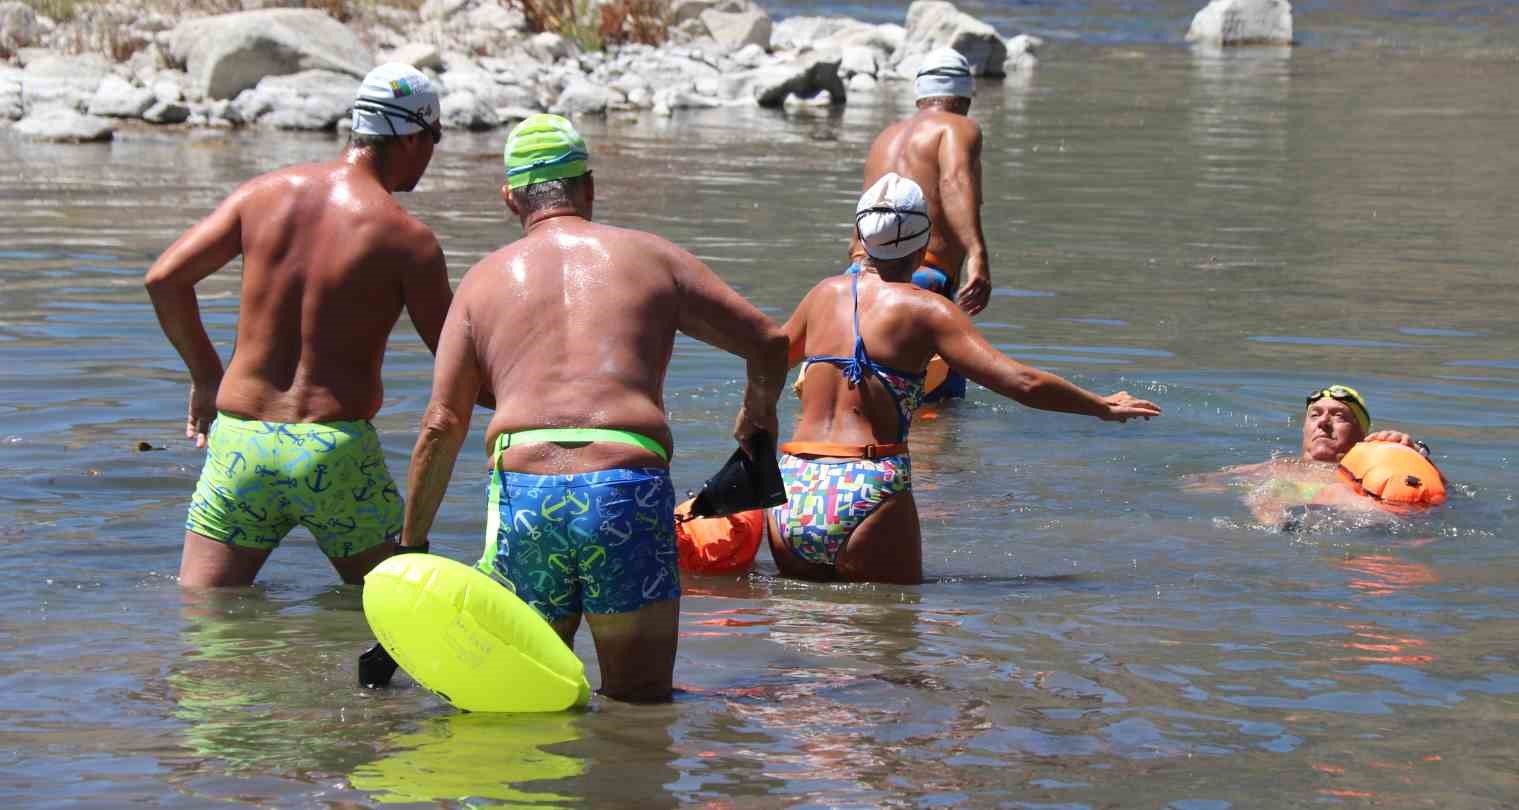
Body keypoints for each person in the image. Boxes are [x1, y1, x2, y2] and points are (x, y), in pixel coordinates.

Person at [398, 114, 788, 703]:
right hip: (625, 488)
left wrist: (413, 545)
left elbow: (440, 425)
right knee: (641, 707)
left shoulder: (480, 283)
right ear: (589, 187)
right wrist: (756, 417)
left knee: (528, 702)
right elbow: (769, 342)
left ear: (510, 198)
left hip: (525, 498)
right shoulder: (654, 259)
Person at [145, 63, 452, 588]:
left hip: (241, 444)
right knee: (393, 621)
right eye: (435, 138)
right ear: (411, 137)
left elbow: (165, 279)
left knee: (208, 621)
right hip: (332, 450)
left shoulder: (262, 195)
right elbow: (457, 361)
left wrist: (205, 376)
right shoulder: (408, 239)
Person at [771, 172, 1161, 585]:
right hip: (868, 483)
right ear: (924, 245)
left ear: (860, 236)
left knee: (802, 630)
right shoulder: (928, 310)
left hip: (794, 481)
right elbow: (1021, 382)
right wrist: (1099, 406)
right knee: (887, 638)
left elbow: (769, 358)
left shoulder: (821, 295)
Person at [851, 47, 989, 401]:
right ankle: (936, 459)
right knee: (933, 409)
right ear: (965, 96)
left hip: (858, 278)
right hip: (920, 278)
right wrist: (976, 253)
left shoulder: (886, 135)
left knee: (864, 397)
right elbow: (954, 182)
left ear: (920, 94)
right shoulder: (958, 127)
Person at [1196, 384, 1436, 524]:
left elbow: (1428, 504)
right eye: (1315, 414)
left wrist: (1412, 459)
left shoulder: (1365, 474)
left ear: (1362, 434)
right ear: (1304, 428)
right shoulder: (1271, 466)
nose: (1323, 422)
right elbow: (1196, 484)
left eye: (1339, 416)